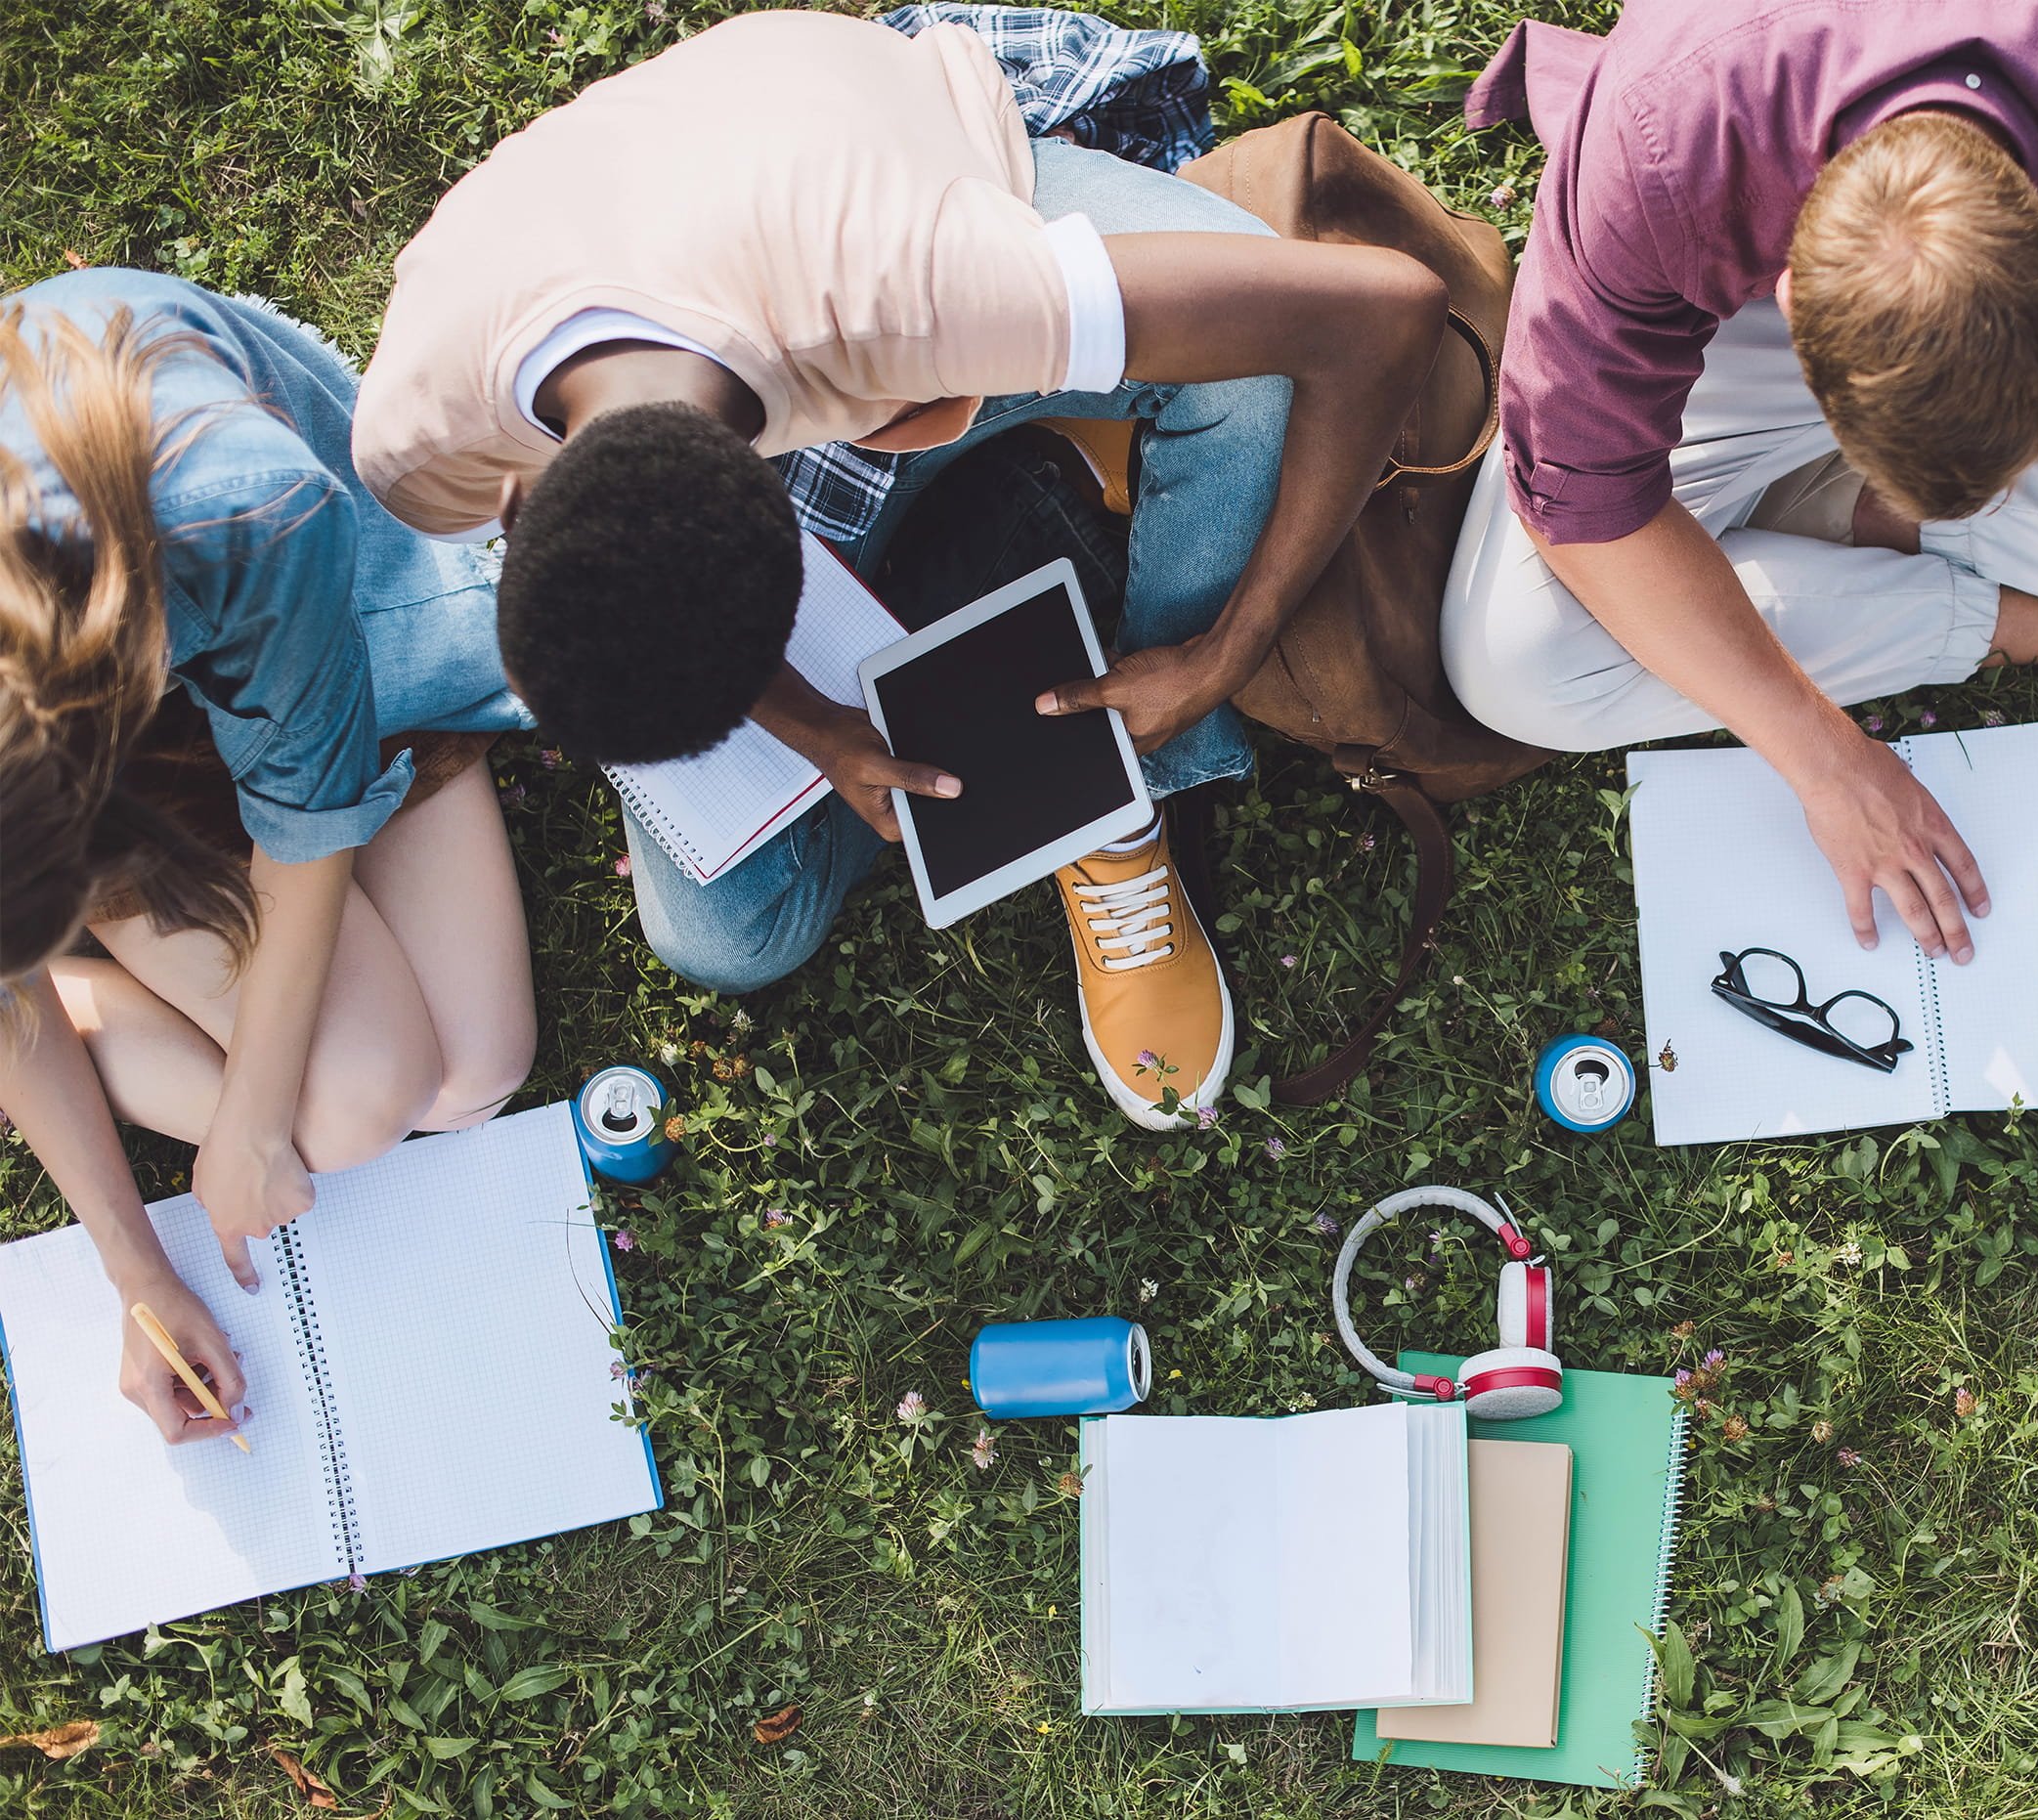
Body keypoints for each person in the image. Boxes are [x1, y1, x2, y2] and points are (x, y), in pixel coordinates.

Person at [351, 8, 1447, 1130]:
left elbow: (1382, 312)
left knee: (1247, 387)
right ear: (516, 496)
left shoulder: (921, 291)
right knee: (724, 934)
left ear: (799, 538)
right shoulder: (418, 442)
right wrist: (813, 727)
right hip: (704, 239)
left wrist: (1227, 648)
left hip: (892, 170)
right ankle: (1041, 552)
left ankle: (1129, 785)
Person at [1447, 1, 2038, 1062]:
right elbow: (1578, 490)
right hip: (1765, 243)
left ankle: (1834, 520)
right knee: (1515, 662)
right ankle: (1992, 589)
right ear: (1786, 285)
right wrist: (1826, 762)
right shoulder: (1665, 131)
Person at [0, 271, 537, 1446]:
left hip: (283, 615)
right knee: (365, 1106)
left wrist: (247, 1119)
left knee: (468, 1076)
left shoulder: (241, 514)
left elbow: (306, 806)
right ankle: (87, 1003)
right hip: (132, 698)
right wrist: (137, 1273)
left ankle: (109, 994)